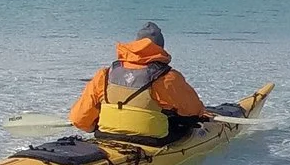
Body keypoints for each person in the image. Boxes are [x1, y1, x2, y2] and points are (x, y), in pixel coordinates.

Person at [68, 21, 209, 144]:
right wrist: (201, 114)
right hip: (152, 140)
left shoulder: (105, 74)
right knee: (185, 123)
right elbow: (193, 111)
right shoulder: (167, 77)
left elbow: (79, 119)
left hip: (106, 135)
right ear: (160, 48)